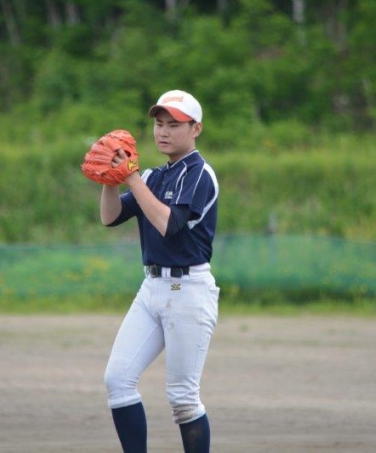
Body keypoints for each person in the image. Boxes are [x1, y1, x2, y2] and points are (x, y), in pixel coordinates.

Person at [101, 90, 220, 452]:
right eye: (159, 123)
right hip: (151, 287)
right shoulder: (154, 176)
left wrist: (132, 178)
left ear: (196, 129)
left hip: (189, 291)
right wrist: (110, 179)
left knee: (183, 398)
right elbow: (110, 217)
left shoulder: (200, 174)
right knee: (117, 380)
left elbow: (169, 224)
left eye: (174, 124)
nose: (163, 131)